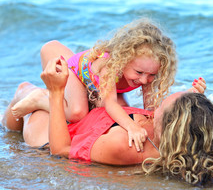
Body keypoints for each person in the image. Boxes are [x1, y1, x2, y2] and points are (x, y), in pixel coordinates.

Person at [2, 58, 213, 185]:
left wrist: (55, 94)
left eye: (160, 108)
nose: (154, 109)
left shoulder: (125, 146)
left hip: (59, 136)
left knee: (26, 93)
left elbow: (61, 149)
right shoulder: (183, 140)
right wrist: (194, 102)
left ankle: (8, 119)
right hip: (96, 121)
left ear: (170, 126)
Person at [11, 18, 178, 152]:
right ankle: (41, 98)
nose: (143, 80)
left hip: (97, 87)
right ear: (124, 60)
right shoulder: (109, 66)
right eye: (139, 73)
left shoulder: (146, 72)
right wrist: (132, 127)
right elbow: (110, 103)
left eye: (151, 75)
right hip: (77, 74)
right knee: (78, 113)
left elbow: (149, 108)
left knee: (122, 110)